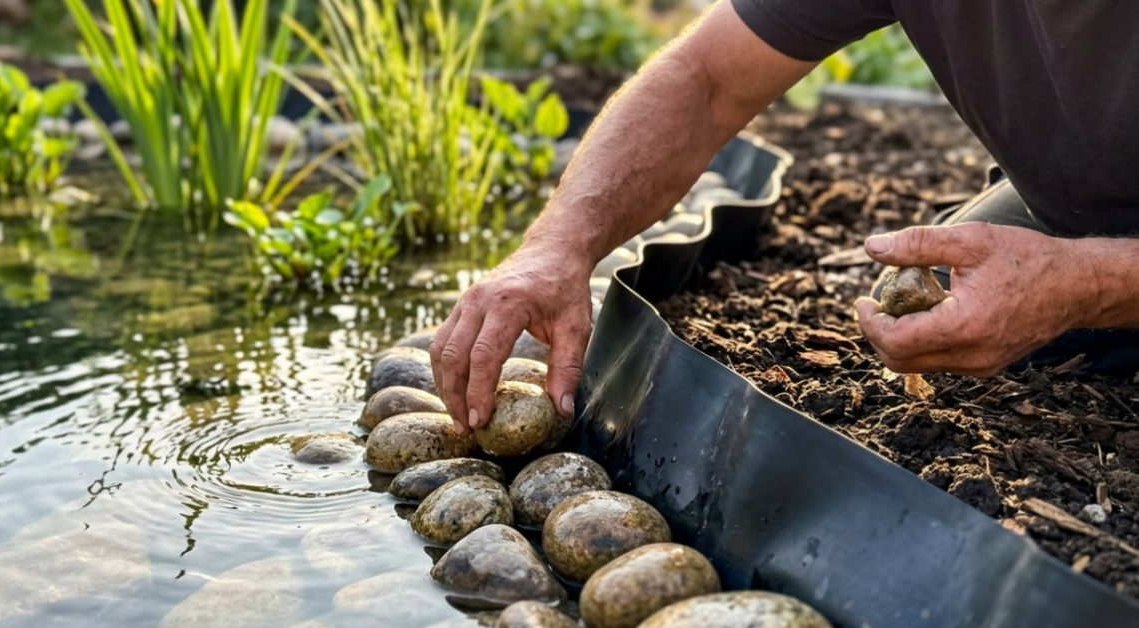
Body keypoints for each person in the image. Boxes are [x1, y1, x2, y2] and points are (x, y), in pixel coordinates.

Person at [429, 0, 1139, 434]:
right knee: (965, 317)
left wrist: (1082, 283)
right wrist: (555, 246)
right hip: (1079, 203)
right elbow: (704, 79)